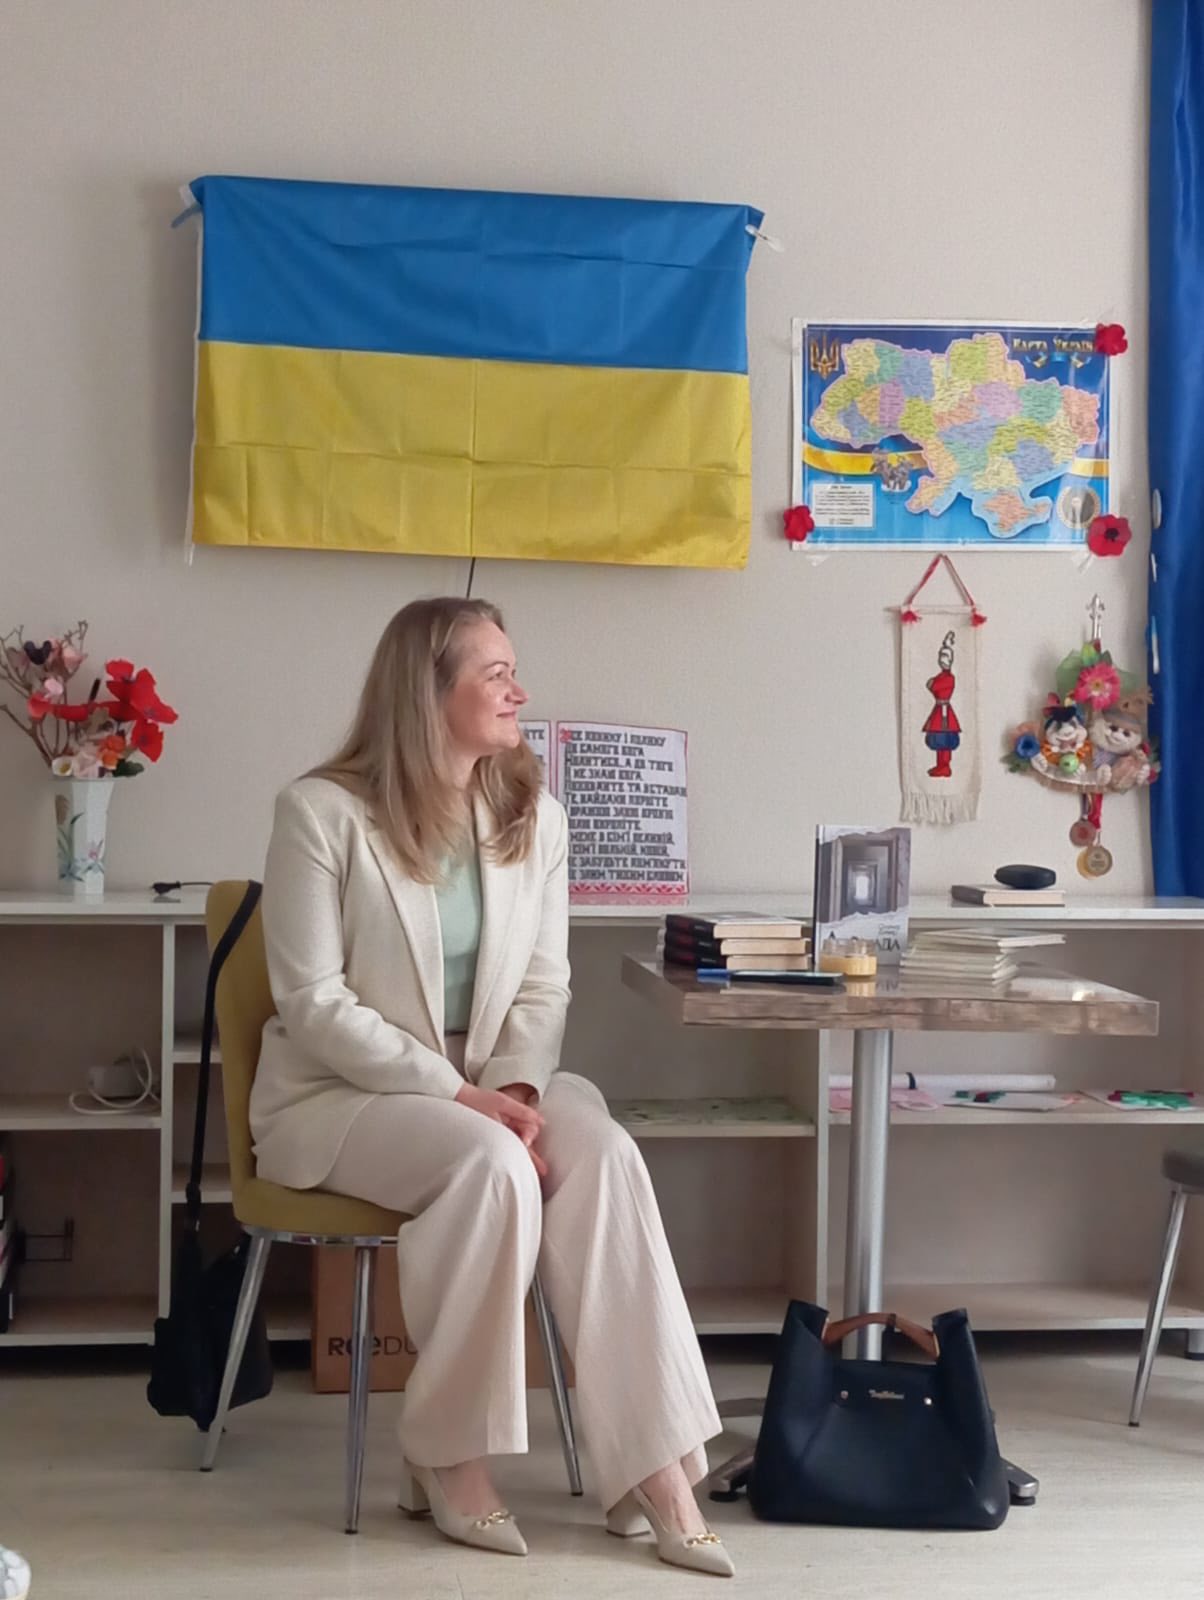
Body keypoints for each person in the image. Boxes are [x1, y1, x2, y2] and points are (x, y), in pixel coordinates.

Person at [251, 597, 732, 1577]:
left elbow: (546, 983)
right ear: (426, 691)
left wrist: (514, 1085)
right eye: (496, 673)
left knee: (603, 1153)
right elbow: (313, 1003)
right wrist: (461, 1097)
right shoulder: (319, 813)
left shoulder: (534, 817)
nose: (520, 690)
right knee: (492, 1165)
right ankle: (447, 1453)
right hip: (345, 1093)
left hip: (495, 1078)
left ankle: (656, 1465)